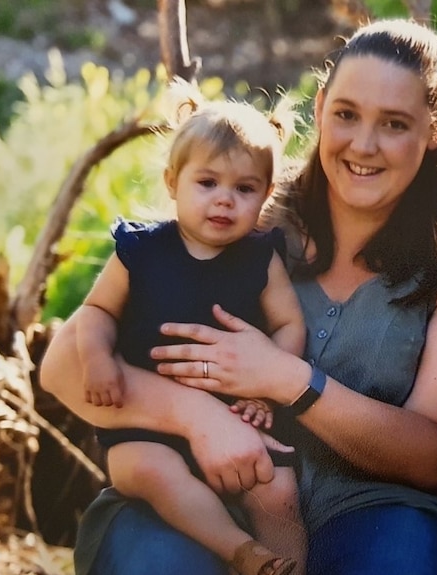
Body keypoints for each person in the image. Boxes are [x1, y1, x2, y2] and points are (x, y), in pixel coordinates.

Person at [40, 18, 437, 575]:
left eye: (395, 124)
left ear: (435, 129)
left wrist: (284, 378)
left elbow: (434, 455)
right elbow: (62, 369)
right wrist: (198, 419)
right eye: (346, 115)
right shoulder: (247, 205)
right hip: (202, 491)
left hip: (377, 507)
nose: (364, 144)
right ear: (321, 107)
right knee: (154, 563)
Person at [73, 80, 306, 575]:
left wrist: (267, 388)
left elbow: (289, 325)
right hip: (147, 429)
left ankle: (289, 566)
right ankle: (243, 554)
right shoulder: (141, 252)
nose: (225, 201)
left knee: (278, 488)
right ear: (172, 182)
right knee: (157, 473)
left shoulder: (261, 259)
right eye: (208, 184)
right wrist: (96, 358)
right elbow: (96, 314)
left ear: (266, 195)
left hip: (237, 418)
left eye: (244, 189)